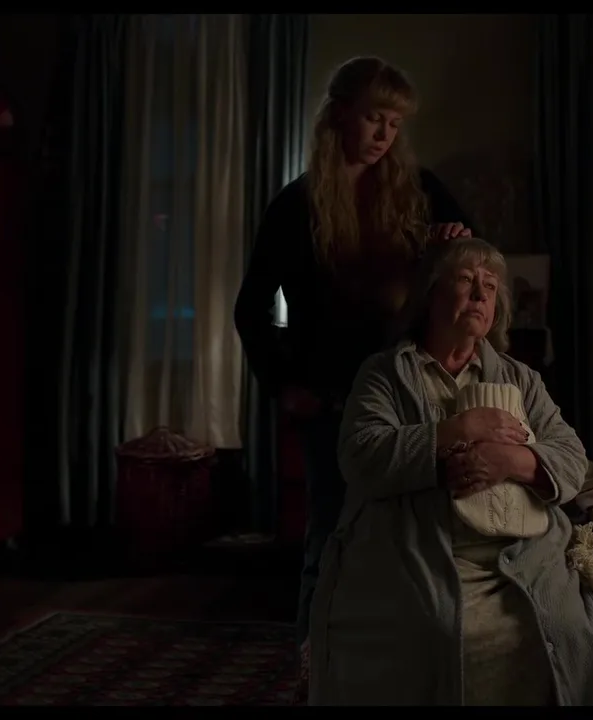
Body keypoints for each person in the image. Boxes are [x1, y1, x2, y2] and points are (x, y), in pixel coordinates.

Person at [234, 56, 473, 671]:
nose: (384, 134)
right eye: (373, 118)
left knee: (416, 535)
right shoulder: (298, 204)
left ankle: (398, 668)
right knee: (332, 533)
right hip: (334, 397)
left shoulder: (421, 189)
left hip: (411, 391)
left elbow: (476, 263)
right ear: (339, 114)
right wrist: (285, 384)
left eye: (395, 123)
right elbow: (251, 308)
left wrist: (453, 245)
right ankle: (314, 671)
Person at [307, 238, 593, 705]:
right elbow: (360, 455)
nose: (480, 293)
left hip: (520, 551)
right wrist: (457, 429)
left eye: (490, 286)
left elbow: (572, 458)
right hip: (421, 546)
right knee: (437, 629)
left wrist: (512, 461)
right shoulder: (386, 373)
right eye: (466, 280)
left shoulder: (519, 378)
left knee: (567, 626)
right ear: (431, 294)